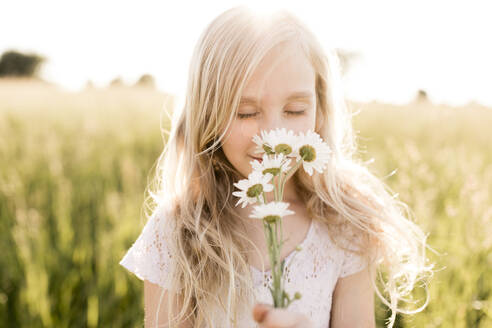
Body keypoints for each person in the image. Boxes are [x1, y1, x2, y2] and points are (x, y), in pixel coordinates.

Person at [119, 5, 435, 328]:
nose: (272, 137)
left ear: (320, 111)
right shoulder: (177, 233)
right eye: (245, 112)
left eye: (295, 110)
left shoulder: (345, 228)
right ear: (208, 117)